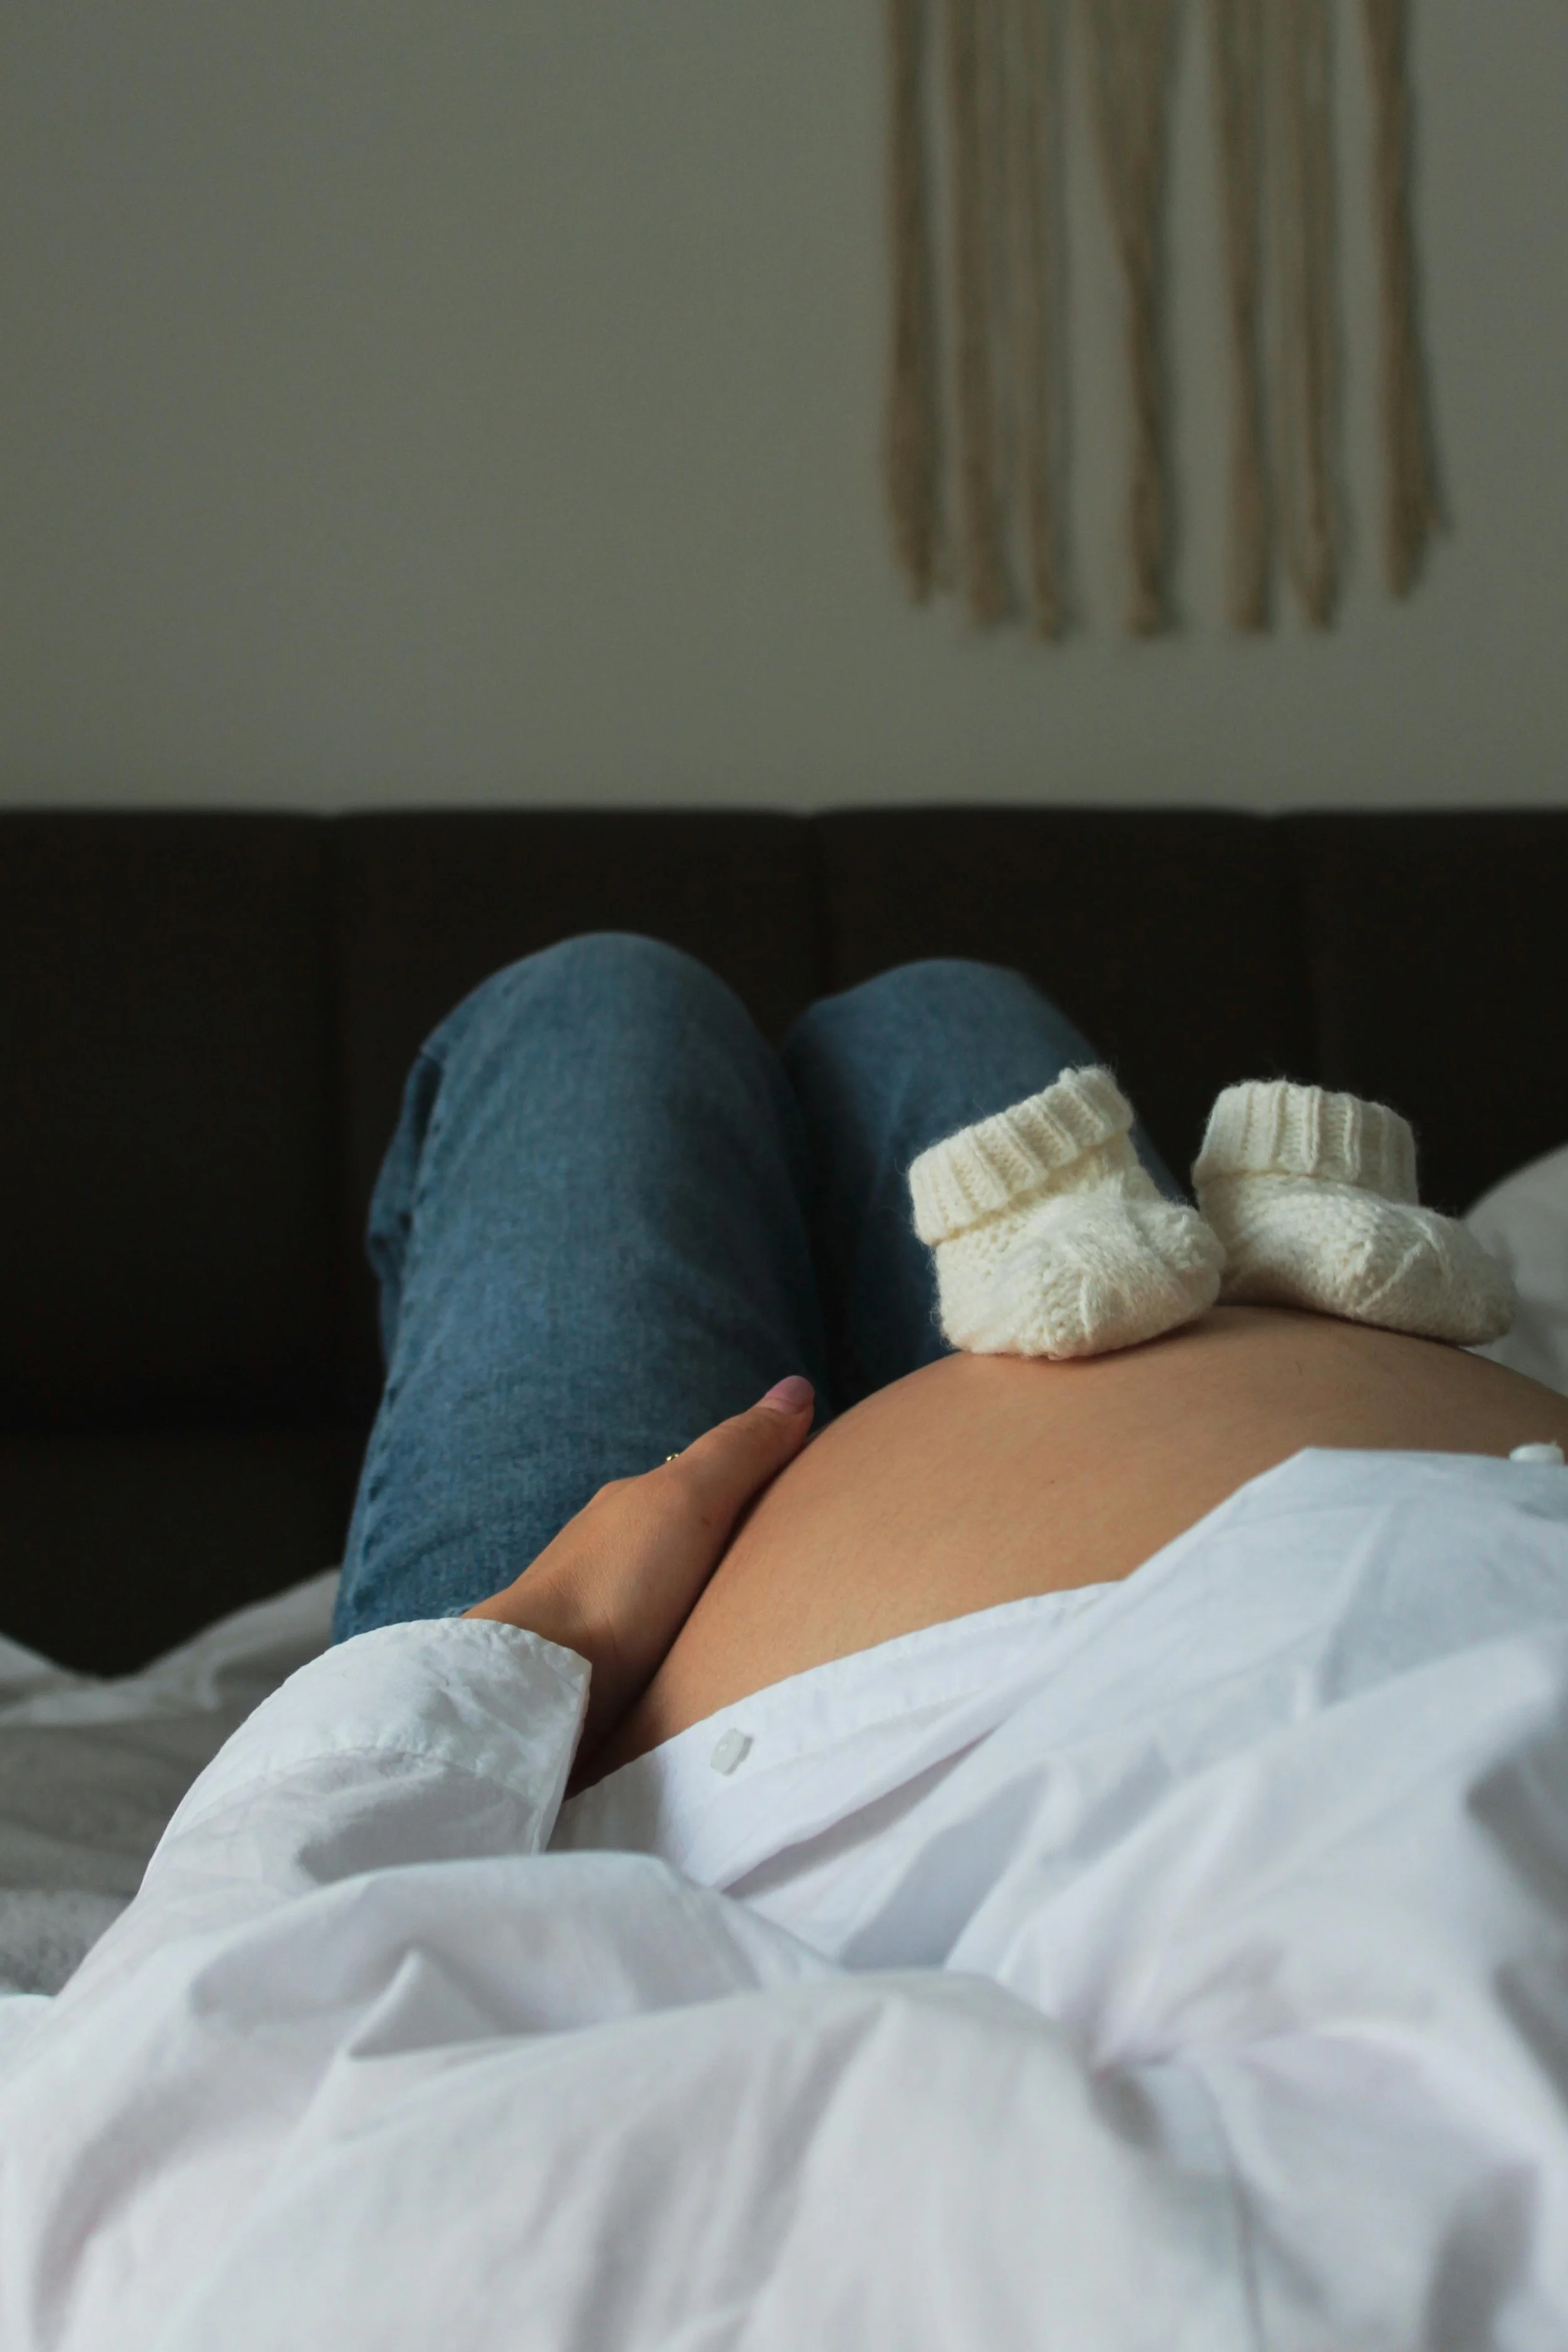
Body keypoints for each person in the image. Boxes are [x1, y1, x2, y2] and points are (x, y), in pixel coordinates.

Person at [7, 936, 1568, 2351]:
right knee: (941, 1016)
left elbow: (161, 2173)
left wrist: (526, 1634)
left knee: (600, 1009)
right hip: (1404, 1452)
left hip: (655, 1693)